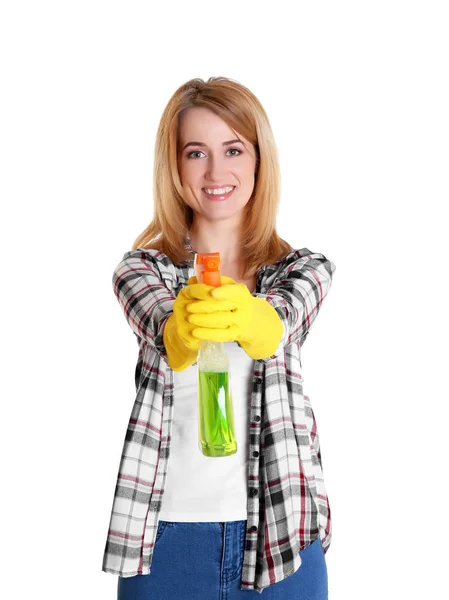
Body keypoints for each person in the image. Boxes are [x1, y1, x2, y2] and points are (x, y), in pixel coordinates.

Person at [102, 76, 336, 599]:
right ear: (175, 166)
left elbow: (283, 322)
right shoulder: (143, 270)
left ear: (258, 160)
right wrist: (181, 332)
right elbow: (162, 328)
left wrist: (253, 320)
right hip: (166, 545)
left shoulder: (303, 270)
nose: (215, 172)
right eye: (195, 153)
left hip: (282, 541)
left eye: (233, 149)